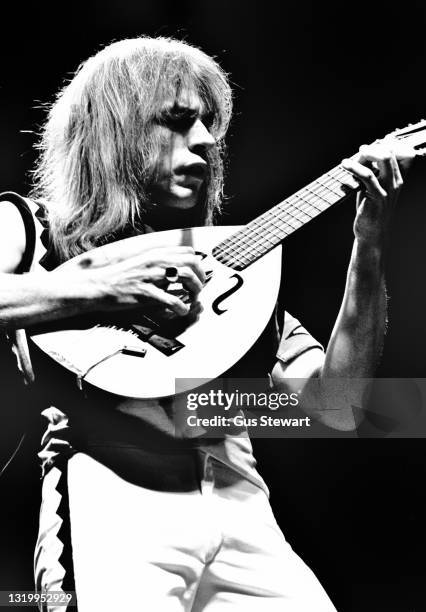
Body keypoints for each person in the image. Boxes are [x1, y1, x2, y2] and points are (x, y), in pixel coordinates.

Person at [0, 37, 412, 611]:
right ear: (114, 130)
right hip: (111, 495)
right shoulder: (31, 226)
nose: (205, 143)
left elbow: (337, 407)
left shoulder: (233, 290)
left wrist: (368, 245)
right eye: (177, 121)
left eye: (209, 126)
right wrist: (99, 286)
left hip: (242, 500)